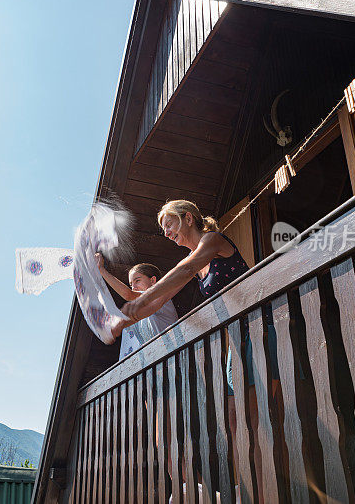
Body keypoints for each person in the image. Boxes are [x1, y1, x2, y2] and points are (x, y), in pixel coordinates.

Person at [114, 199, 280, 502]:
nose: (166, 233)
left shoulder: (212, 241)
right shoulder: (195, 258)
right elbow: (158, 300)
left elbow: (184, 269)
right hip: (237, 340)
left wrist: (137, 302)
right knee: (233, 419)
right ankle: (246, 491)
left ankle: (263, 494)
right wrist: (129, 315)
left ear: (188, 218)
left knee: (256, 420)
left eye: (169, 224)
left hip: (258, 330)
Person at [95, 254, 178, 359]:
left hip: (173, 356)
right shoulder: (138, 311)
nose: (133, 287)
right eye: (131, 284)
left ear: (152, 280)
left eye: (137, 280)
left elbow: (128, 294)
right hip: (156, 361)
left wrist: (101, 270)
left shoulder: (160, 295)